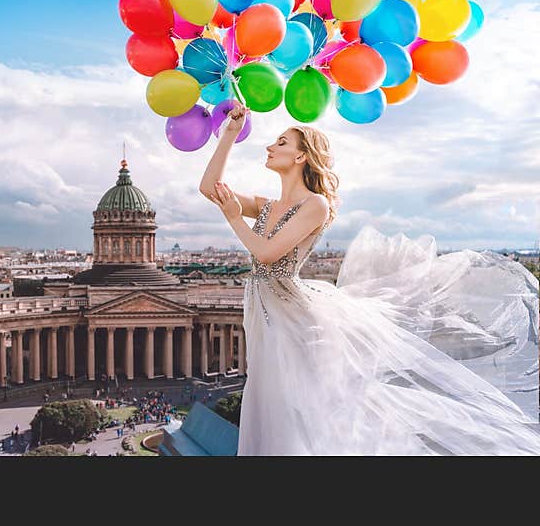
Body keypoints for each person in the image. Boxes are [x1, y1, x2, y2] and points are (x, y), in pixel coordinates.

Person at [199, 100, 540, 455]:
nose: (270, 146)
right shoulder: (267, 205)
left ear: (302, 157)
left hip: (289, 318)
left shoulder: (316, 205)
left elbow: (266, 254)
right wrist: (230, 133)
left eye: (282, 142)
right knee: (267, 405)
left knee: (288, 413)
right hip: (265, 312)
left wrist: (235, 218)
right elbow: (210, 187)